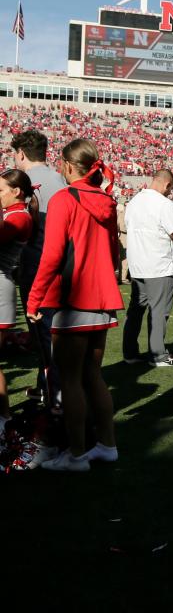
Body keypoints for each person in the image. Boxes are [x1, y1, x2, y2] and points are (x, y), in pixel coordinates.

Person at [26, 139, 122, 471]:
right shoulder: (106, 200)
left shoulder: (65, 199)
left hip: (71, 296)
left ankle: (77, 454)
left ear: (67, 166)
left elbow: (51, 256)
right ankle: (106, 445)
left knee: (69, 379)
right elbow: (113, 252)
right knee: (93, 375)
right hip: (101, 296)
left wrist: (34, 297)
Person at [11, 129, 66, 409]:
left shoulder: (21, 182)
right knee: (50, 333)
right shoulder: (60, 178)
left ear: (20, 153)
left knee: (43, 335)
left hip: (35, 266)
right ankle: (45, 386)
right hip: (61, 266)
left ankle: (54, 395)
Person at [122, 169, 173, 368]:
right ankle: (158, 355)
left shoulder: (134, 202)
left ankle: (130, 352)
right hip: (158, 265)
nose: (170, 193)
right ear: (167, 185)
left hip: (138, 265)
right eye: (171, 189)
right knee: (159, 312)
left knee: (135, 311)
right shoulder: (163, 203)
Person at [0, 170, 36, 443]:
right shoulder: (13, 215)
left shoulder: (19, 217)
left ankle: (5, 418)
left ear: (17, 191)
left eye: (1, 189)